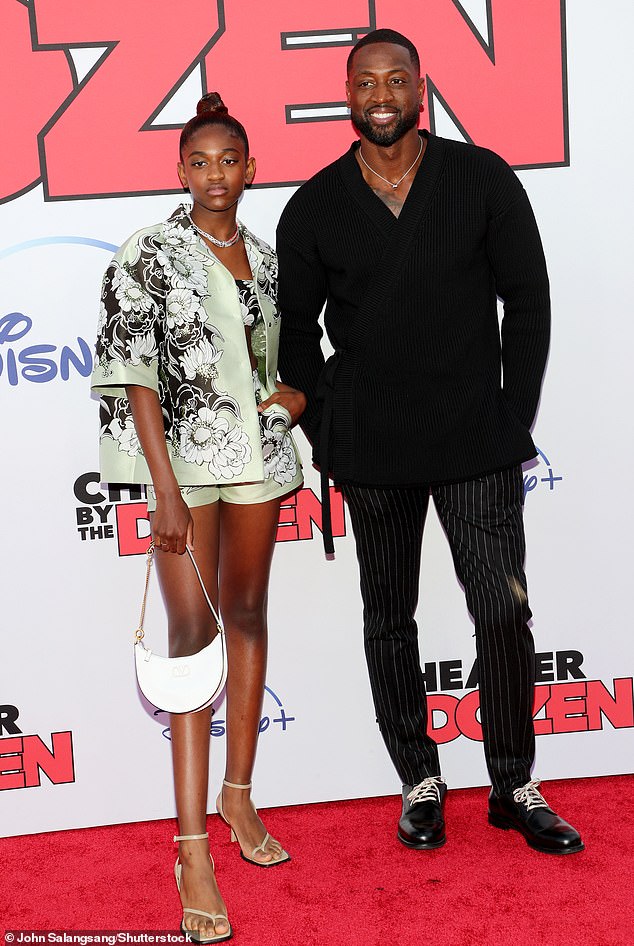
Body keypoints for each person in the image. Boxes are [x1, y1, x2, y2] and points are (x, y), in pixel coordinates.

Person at [276, 29, 583, 856]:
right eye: (365, 82)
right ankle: (419, 779)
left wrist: (513, 415)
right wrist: (327, 423)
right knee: (389, 618)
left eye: (395, 80)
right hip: (372, 447)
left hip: (474, 438)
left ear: (421, 88)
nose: (380, 95)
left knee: (502, 610)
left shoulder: (481, 178)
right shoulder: (313, 206)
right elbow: (295, 337)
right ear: (347, 95)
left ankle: (514, 785)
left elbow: (528, 298)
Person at [91, 93, 305, 943]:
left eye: (230, 160)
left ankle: (238, 798)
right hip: (183, 469)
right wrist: (164, 489)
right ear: (179, 170)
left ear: (251, 169)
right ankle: (192, 852)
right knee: (192, 639)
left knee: (247, 613)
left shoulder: (267, 257)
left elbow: (273, 360)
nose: (216, 174)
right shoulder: (147, 252)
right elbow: (133, 373)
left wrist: (291, 397)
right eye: (200, 162)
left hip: (259, 461)